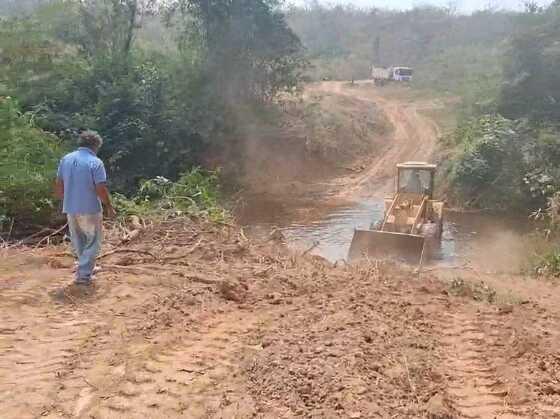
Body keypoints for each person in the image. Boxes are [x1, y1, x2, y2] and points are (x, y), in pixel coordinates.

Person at [55, 130, 116, 285]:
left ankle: (86, 267)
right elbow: (100, 188)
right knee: (93, 241)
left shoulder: (66, 159)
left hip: (70, 206)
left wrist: (64, 200)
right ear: (96, 146)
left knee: (79, 240)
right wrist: (108, 206)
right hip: (89, 207)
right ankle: (83, 276)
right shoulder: (95, 162)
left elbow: (59, 184)